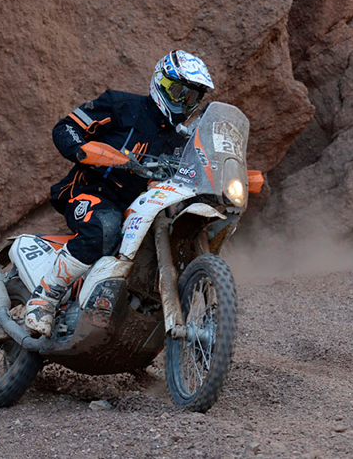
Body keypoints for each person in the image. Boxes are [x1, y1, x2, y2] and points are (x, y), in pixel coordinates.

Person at [25, 50, 215, 337]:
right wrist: (83, 149)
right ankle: (45, 297)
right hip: (92, 191)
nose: (184, 102)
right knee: (105, 227)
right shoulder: (121, 105)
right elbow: (66, 127)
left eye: (192, 98)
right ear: (161, 83)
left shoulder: (184, 141)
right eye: (179, 92)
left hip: (144, 207)